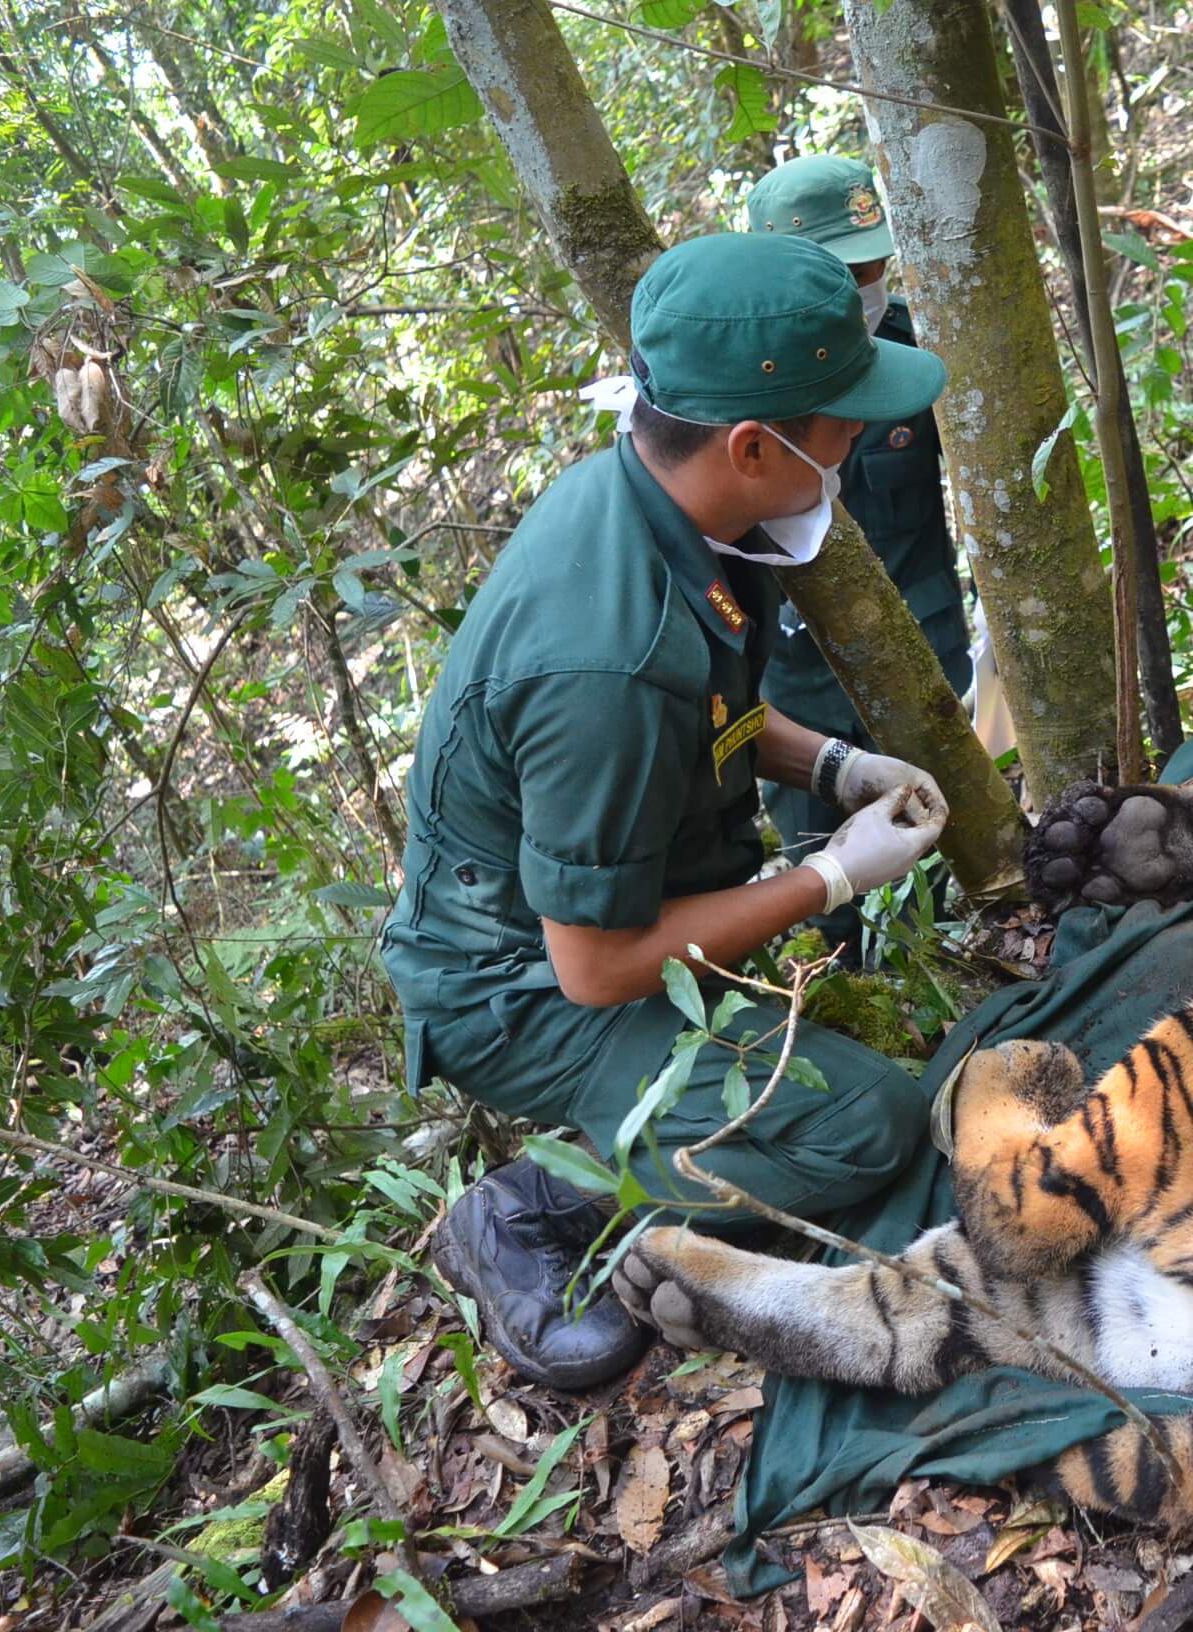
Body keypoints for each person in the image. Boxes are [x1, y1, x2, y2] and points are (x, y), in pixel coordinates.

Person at [382, 233, 953, 1390]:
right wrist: (830, 877)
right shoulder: (606, 659)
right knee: (870, 1126)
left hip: (615, 899)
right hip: (522, 985)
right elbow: (592, 969)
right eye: (843, 425)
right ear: (752, 444)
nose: (859, 445)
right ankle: (530, 1210)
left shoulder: (665, 507)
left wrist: (834, 767)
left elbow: (710, 711)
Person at [744, 155, 973, 954]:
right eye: (846, 269)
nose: (867, 281)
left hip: (925, 655)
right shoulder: (742, 393)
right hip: (798, 684)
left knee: (949, 860)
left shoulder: (916, 343)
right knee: (826, 900)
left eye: (875, 260)